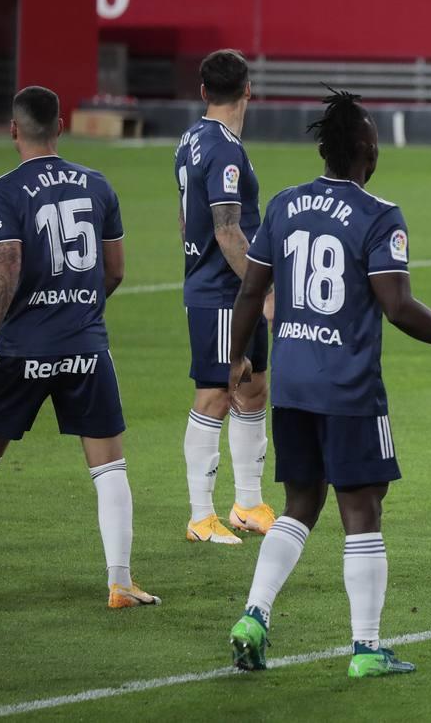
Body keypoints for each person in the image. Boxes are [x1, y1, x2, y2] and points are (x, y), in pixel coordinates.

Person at [226, 90, 431, 678]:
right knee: (362, 508)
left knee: (300, 503)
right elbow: (398, 307)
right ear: (366, 150)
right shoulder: (379, 214)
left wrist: (236, 360)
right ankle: (366, 648)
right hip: (347, 386)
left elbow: (250, 292)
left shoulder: (284, 204)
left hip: (293, 382)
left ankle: (254, 614)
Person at [0, 86, 158, 608]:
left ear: (13, 130)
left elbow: (7, 261)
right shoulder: (97, 185)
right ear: (60, 127)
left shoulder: (3, 190)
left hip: (21, 347)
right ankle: (120, 581)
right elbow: (116, 269)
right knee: (109, 466)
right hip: (85, 347)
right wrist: (76, 308)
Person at [174, 49, 274, 545]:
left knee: (253, 389)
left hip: (231, 288)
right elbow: (229, 231)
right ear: (248, 89)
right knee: (215, 394)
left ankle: (248, 503)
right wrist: (265, 290)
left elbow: (182, 217)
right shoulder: (224, 150)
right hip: (223, 292)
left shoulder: (193, 138)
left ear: (202, 90)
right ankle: (199, 515)